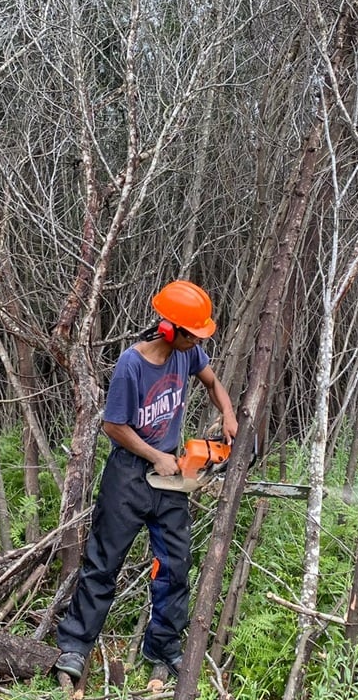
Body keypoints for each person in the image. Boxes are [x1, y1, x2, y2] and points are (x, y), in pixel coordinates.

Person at [54, 280, 238, 681]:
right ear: (170, 329)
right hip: (130, 474)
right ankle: (74, 645)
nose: (196, 342)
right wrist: (157, 456)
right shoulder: (132, 364)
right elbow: (112, 425)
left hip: (171, 475)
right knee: (103, 562)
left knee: (174, 563)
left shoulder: (188, 353)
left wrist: (227, 412)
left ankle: (163, 647)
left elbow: (211, 380)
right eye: (193, 335)